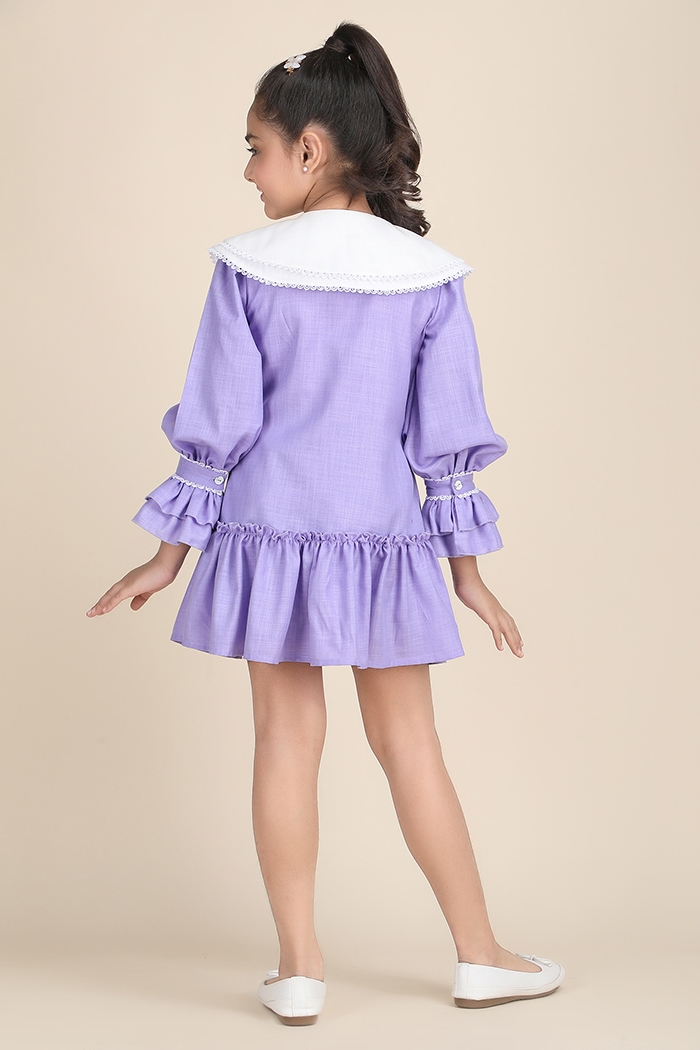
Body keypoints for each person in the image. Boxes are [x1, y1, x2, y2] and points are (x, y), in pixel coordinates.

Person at [86, 21, 564, 1027]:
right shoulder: (427, 277)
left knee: (283, 740)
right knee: (412, 746)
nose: (248, 172)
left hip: (266, 539)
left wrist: (169, 555)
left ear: (308, 149)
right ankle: (479, 955)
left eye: (255, 148)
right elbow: (444, 440)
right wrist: (467, 574)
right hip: (383, 543)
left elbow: (218, 426)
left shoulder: (247, 267)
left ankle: (298, 968)